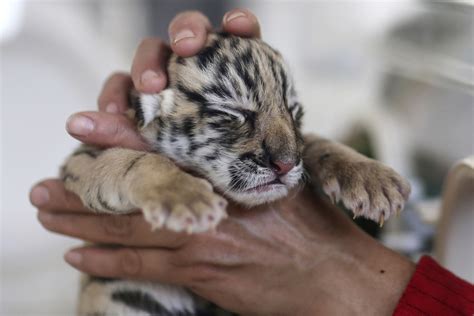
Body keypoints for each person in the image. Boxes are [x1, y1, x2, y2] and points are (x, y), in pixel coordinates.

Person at [30, 9, 473, 315]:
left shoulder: (282, 150)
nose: (284, 158)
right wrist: (157, 180)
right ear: (150, 109)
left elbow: (292, 146)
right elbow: (87, 175)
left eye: (292, 115)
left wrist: (330, 158)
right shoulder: (138, 139)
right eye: (232, 115)